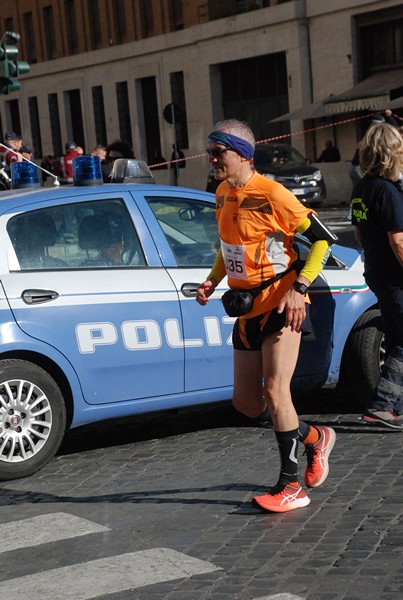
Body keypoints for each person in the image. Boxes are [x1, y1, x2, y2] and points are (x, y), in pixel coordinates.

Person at [196, 119, 337, 513]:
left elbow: (323, 239)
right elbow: (228, 248)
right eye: (210, 152)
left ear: (242, 153)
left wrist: (300, 289)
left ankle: (290, 486)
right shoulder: (222, 193)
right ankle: (315, 438)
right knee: (247, 403)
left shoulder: (273, 192)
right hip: (246, 309)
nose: (211, 160)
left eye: (217, 152)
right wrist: (211, 281)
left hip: (282, 304)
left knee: (277, 392)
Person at [351, 123, 403, 429]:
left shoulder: (362, 188)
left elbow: (358, 233)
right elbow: (398, 240)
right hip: (395, 277)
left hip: (376, 271)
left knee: (397, 337)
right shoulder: (387, 190)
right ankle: (383, 405)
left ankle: (393, 407)